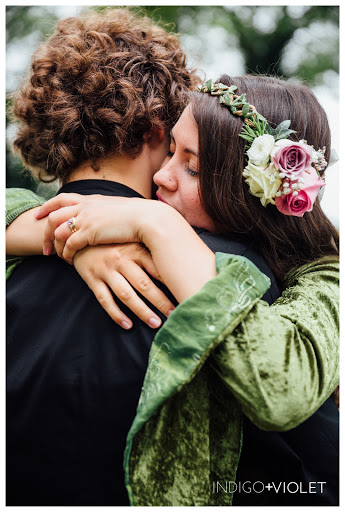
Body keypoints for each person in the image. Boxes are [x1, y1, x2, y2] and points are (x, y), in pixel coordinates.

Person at [6, 73, 339, 506]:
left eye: (192, 166)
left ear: (250, 190)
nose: (161, 175)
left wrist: (157, 225)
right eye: (170, 151)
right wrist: (75, 245)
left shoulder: (323, 278)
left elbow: (279, 389)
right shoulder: (118, 233)